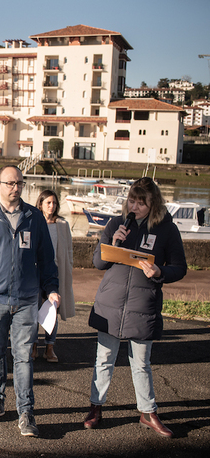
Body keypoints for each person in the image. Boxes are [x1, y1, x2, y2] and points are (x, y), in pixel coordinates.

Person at [83, 177, 186, 438]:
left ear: (154, 204)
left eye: (142, 203)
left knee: (141, 362)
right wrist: (113, 244)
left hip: (143, 304)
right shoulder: (116, 223)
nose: (135, 207)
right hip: (111, 303)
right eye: (132, 201)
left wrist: (160, 270)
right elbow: (98, 262)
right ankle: (96, 407)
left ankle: (148, 412)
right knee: (104, 358)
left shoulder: (166, 230)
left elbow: (180, 267)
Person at [0, 165, 60, 438]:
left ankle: (26, 411)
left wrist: (51, 289)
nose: (15, 188)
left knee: (23, 357)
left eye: (19, 183)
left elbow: (47, 258)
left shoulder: (35, 217)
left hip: (27, 299)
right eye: (9, 183)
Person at [32, 189, 75, 363]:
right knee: (33, 309)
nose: (51, 206)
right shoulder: (34, 222)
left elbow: (69, 249)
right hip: (36, 273)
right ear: (40, 204)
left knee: (53, 310)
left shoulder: (62, 224)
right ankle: (33, 345)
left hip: (56, 273)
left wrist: (68, 267)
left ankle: (50, 347)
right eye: (48, 202)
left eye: (54, 203)